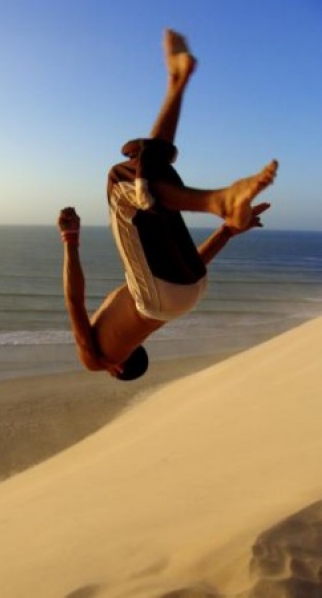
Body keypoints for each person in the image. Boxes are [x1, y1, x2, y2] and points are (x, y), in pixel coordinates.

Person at [58, 29, 278, 381]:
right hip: (160, 296)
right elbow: (74, 303)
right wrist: (70, 241)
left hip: (189, 289)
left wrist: (228, 232)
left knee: (151, 187)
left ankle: (177, 81)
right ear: (118, 368)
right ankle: (215, 200)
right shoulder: (99, 360)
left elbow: (193, 262)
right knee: (120, 184)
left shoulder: (144, 326)